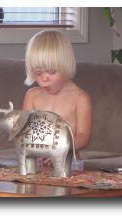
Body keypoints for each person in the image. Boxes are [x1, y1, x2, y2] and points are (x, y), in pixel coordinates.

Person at [22, 29, 93, 167]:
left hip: (69, 163)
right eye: (38, 73)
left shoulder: (80, 98)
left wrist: (62, 147)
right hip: (38, 164)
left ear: (65, 65)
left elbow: (84, 137)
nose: (44, 78)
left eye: (51, 72)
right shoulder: (32, 96)